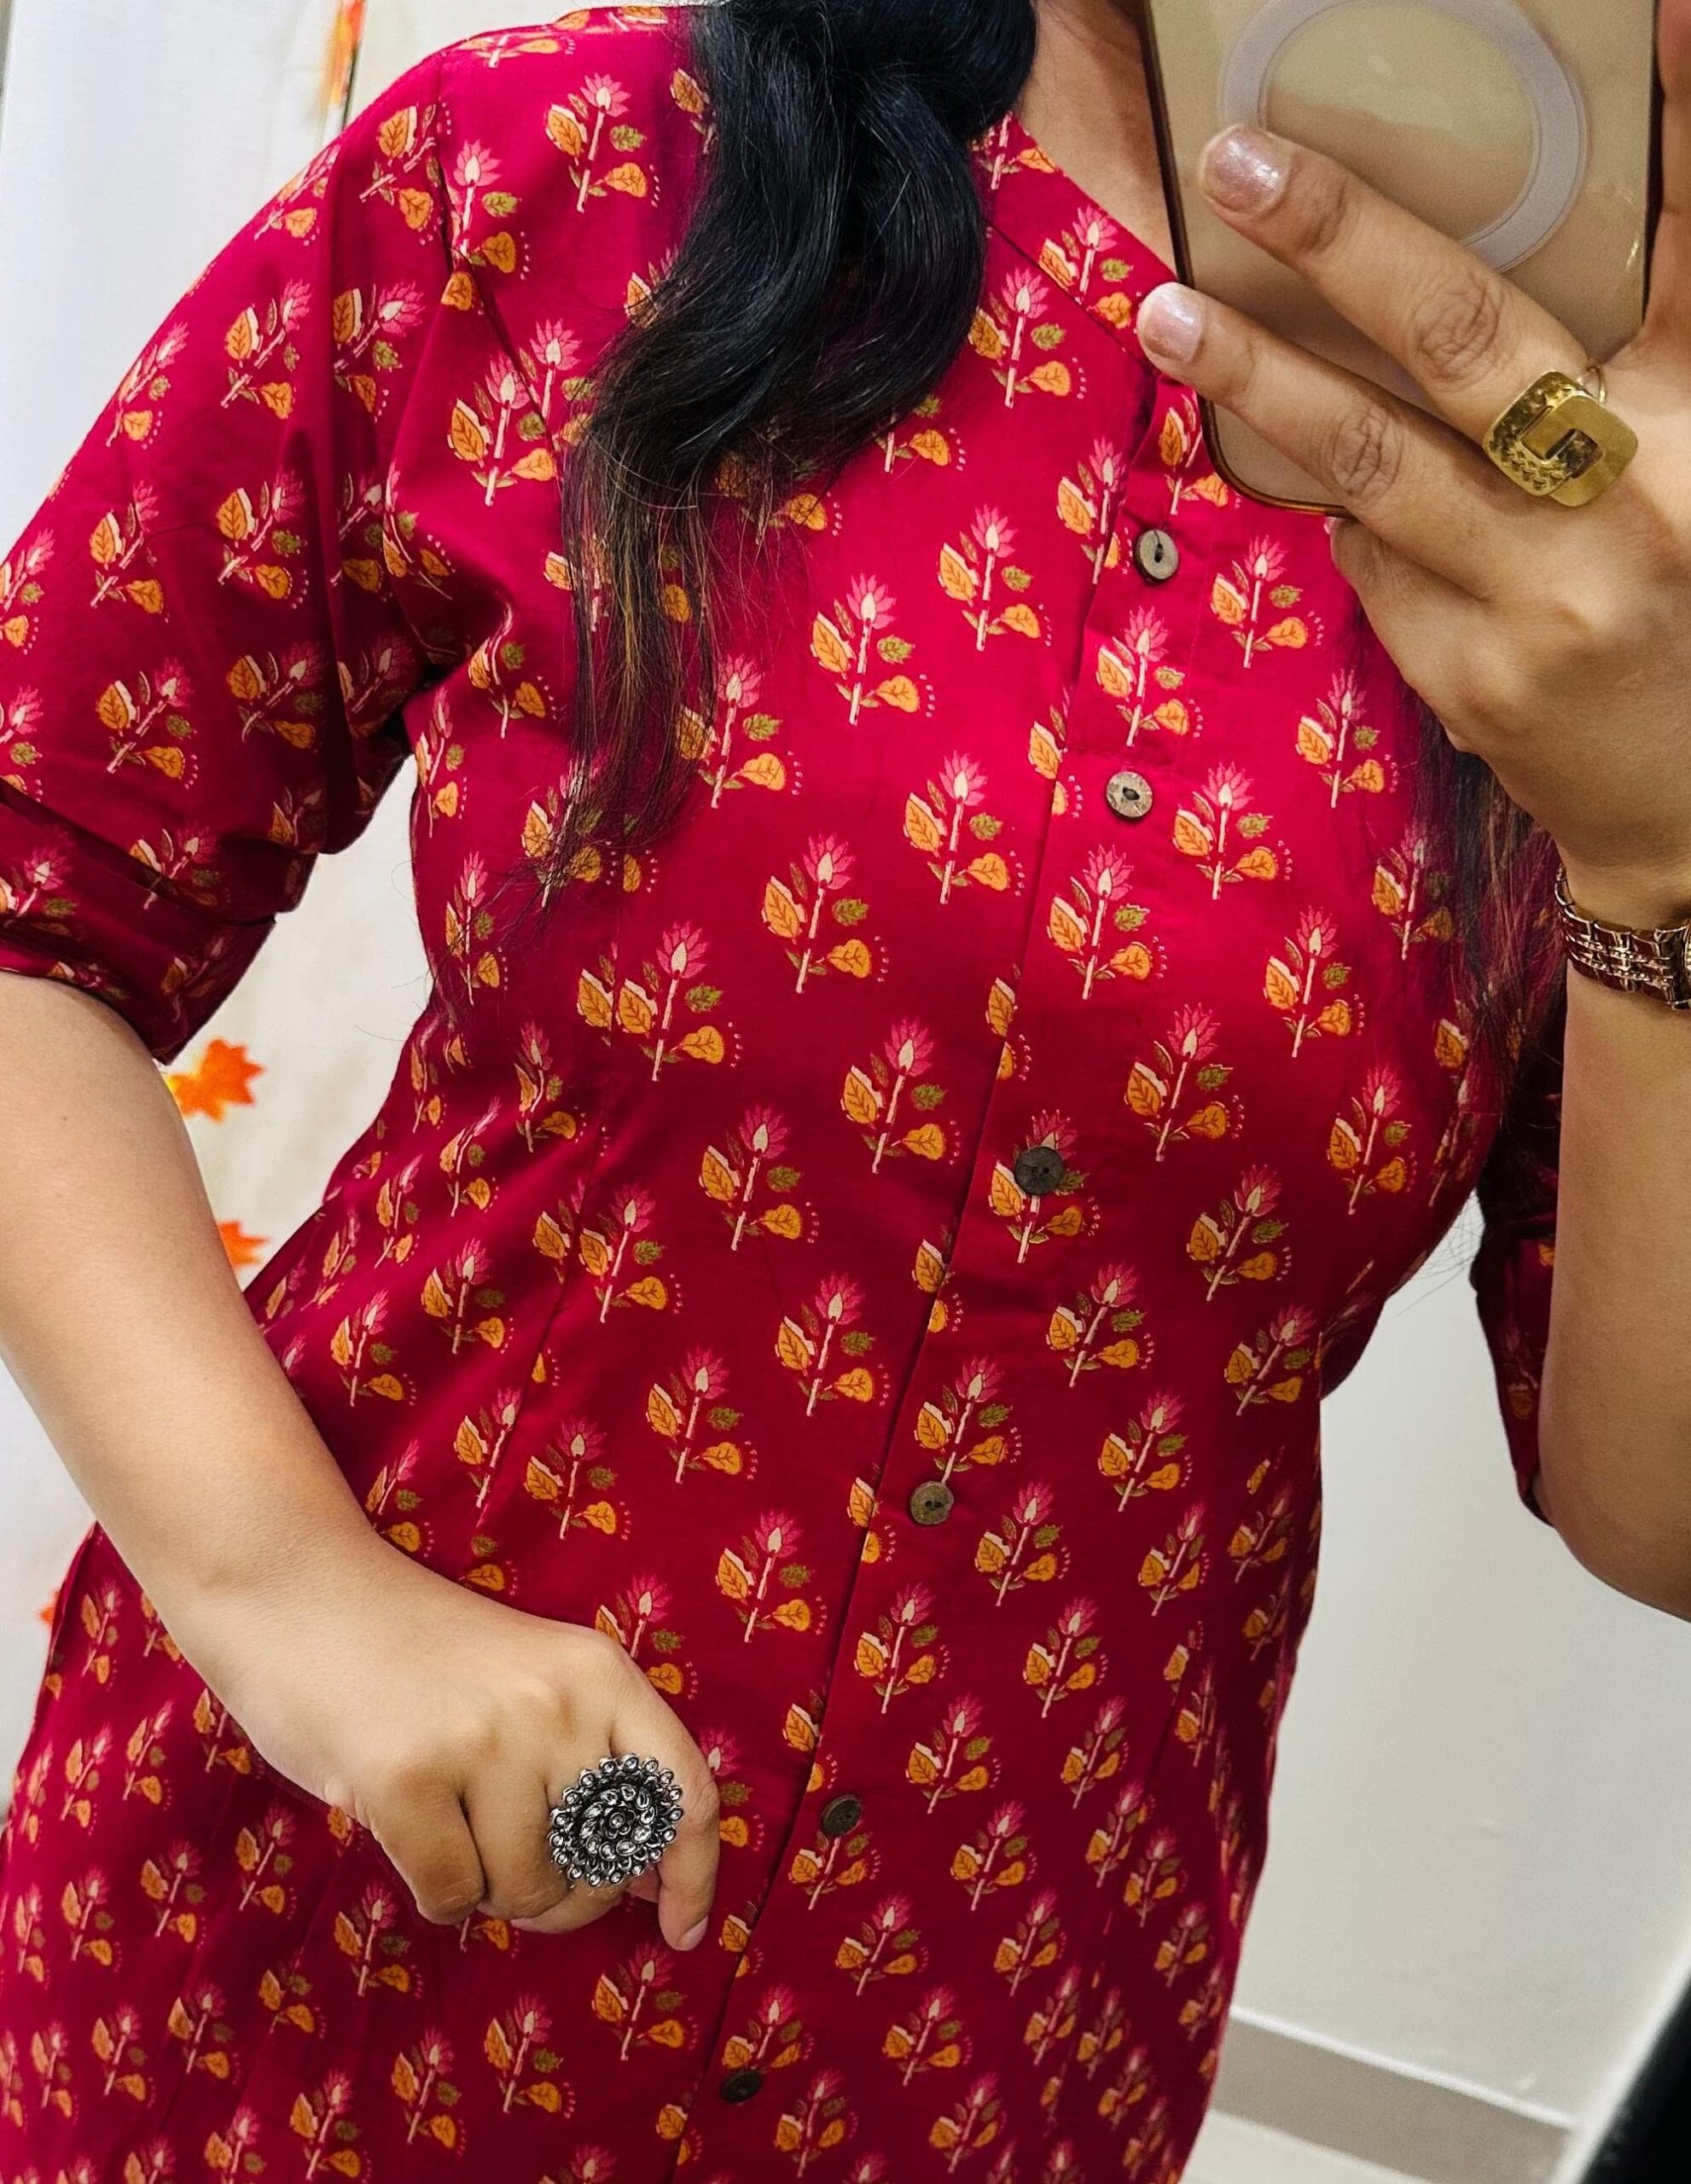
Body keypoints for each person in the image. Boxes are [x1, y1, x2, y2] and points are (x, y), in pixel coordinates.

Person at [3, 0, 1690, 2174]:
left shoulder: (1629, 509)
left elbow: (1650, 1501)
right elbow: (32, 894)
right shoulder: (571, 171)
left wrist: (1660, 850)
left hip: (991, 2027)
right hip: (306, 1937)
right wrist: (290, 1593)